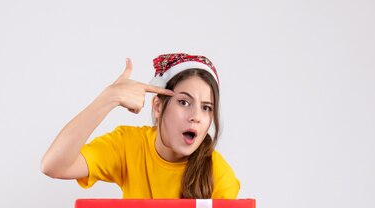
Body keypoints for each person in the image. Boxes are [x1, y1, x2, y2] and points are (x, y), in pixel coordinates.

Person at [41, 53, 240, 199]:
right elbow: (53, 166)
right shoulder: (128, 145)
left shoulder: (219, 174)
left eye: (206, 108)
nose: (196, 116)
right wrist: (108, 98)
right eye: (184, 102)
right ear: (158, 106)